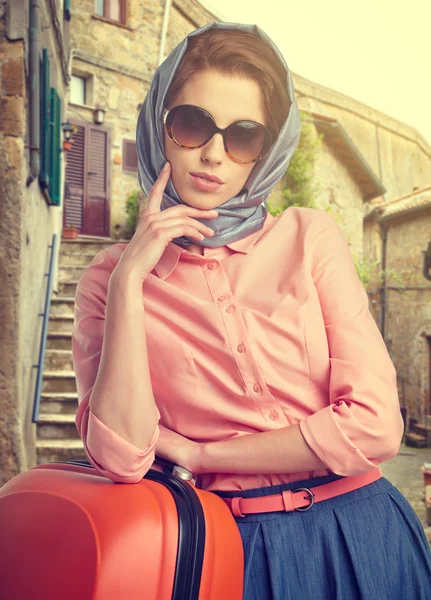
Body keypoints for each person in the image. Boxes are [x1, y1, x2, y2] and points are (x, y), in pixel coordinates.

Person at [72, 21, 431, 599]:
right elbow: (120, 455)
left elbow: (375, 425)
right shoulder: (107, 283)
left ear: (265, 152)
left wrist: (200, 453)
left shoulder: (310, 237)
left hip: (363, 534)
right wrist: (129, 278)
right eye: (192, 124)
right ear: (159, 129)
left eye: (243, 136)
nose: (214, 154)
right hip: (230, 553)